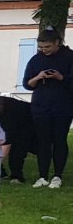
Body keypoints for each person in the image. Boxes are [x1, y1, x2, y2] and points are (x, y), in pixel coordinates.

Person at [21, 27, 73, 188]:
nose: (45, 50)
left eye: (48, 47)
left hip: (63, 106)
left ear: (57, 42)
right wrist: (38, 77)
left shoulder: (69, 57)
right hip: (41, 106)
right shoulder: (36, 60)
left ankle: (57, 175)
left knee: (59, 140)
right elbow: (27, 84)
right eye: (41, 47)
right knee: (43, 141)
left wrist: (60, 77)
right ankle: (42, 175)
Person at [0, 95, 37, 183]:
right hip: (16, 121)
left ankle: (16, 175)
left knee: (17, 149)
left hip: (27, 123)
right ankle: (0, 172)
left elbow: (7, 141)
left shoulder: (7, 110)